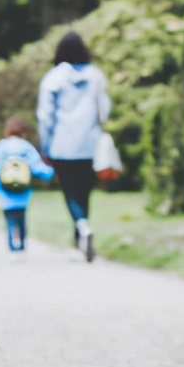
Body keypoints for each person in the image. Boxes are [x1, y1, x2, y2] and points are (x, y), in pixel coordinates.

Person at [36, 31, 111, 262]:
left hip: (62, 145)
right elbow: (105, 111)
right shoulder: (95, 75)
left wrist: (44, 147)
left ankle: (81, 226)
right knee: (85, 190)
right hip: (90, 144)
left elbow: (45, 116)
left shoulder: (53, 78)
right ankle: (81, 234)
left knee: (70, 191)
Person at [0, 115, 55, 258]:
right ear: (23, 132)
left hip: (5, 192)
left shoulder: (1, 148)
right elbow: (39, 168)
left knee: (10, 219)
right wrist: (51, 172)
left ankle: (12, 248)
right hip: (23, 193)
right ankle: (21, 246)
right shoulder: (26, 148)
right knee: (21, 218)